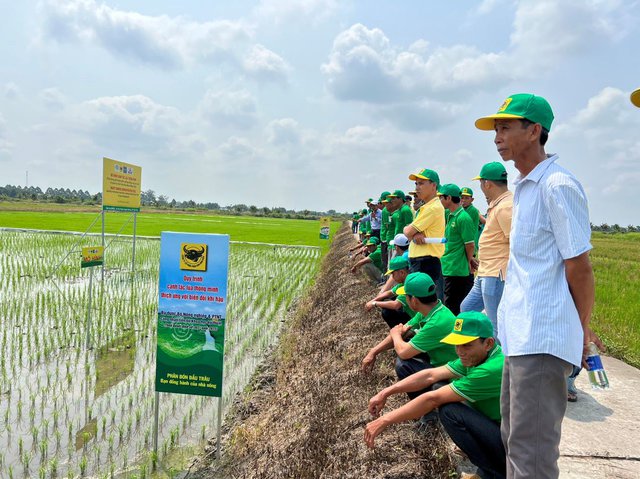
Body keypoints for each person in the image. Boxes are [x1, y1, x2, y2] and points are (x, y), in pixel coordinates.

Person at [475, 93, 602, 479]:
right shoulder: (524, 189)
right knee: (515, 440)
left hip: (543, 337)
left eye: (506, 127)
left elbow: (578, 267)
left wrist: (581, 330)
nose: (497, 136)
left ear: (534, 131)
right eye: (496, 128)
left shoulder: (557, 185)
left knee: (532, 454)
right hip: (520, 334)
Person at [364, 311, 506, 479]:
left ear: (488, 343)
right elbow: (430, 375)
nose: (459, 351)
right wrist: (386, 391)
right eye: (457, 344)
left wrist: (383, 420)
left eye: (466, 345)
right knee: (439, 385)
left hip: (509, 441)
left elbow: (432, 399)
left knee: (449, 411)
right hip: (499, 428)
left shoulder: (491, 369)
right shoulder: (480, 355)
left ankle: (493, 474)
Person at [460, 162, 513, 340]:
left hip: (496, 274)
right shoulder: (497, 204)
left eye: (481, 183)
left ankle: (496, 364)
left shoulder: (507, 206)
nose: (482, 188)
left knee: (494, 325)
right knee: (467, 309)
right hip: (485, 272)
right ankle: (476, 351)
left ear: (487, 183)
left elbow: (515, 243)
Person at [403, 169, 446, 300]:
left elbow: (408, 231)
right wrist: (413, 234)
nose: (417, 188)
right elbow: (411, 232)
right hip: (422, 261)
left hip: (425, 261)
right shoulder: (426, 207)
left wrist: (411, 233)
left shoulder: (432, 208)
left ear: (434, 185)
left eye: (421, 183)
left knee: (423, 303)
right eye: (416, 184)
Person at [438, 184, 476, 315]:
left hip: (457, 269)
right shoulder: (450, 215)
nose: (440, 201)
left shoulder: (463, 218)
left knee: (453, 305)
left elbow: (470, 245)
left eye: (441, 198)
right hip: (449, 266)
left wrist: (468, 260)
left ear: (448, 198)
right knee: (450, 302)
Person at [364, 256, 415, 328]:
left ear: (402, 272)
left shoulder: (409, 285)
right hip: (415, 315)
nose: (392, 277)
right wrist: (373, 300)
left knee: (387, 312)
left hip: (417, 319)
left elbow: (396, 305)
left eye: (393, 274)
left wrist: (374, 303)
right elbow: (389, 293)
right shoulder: (404, 282)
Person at [460, 186, 484, 252]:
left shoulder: (472, 210)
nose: (463, 200)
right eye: (461, 198)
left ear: (472, 199)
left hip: (469, 244)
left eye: (467, 198)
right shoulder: (462, 209)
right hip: (464, 244)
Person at [379, 191, 392, 272]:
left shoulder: (385, 210)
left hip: (385, 238)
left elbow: (388, 225)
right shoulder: (388, 209)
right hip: (386, 237)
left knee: (385, 260)